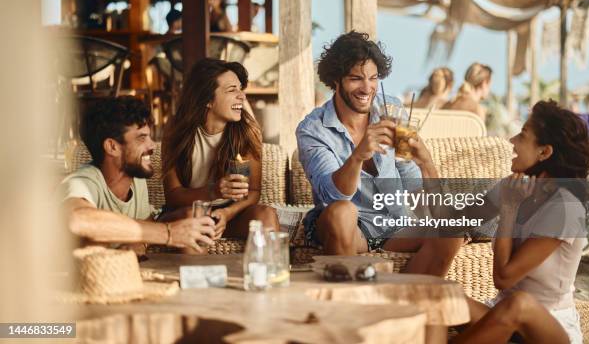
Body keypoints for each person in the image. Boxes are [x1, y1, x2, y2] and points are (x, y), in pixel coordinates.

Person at [296, 31, 463, 277]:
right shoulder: (313, 129)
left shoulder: (390, 110)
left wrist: (424, 160)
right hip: (350, 228)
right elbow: (333, 196)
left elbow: (414, 187)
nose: (367, 88)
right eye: (356, 78)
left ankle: (409, 302)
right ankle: (350, 306)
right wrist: (357, 155)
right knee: (343, 211)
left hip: (395, 224)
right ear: (336, 80)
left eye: (373, 78)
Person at [453, 100, 589, 344]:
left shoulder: (565, 207)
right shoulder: (515, 186)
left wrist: (508, 208)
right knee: (442, 296)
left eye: (522, 135)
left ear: (544, 152)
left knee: (520, 304)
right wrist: (425, 164)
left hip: (548, 325)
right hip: (501, 313)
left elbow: (504, 278)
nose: (511, 141)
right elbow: (458, 218)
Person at [61, 96, 215, 253]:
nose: (152, 145)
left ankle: (199, 277)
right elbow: (78, 219)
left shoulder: (135, 179)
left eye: (150, 136)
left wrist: (183, 220)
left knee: (191, 219)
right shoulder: (83, 182)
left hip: (128, 272)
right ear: (112, 147)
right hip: (83, 273)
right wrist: (168, 233)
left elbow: (144, 223)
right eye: (141, 138)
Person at [162, 58, 279, 241]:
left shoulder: (248, 132)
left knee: (266, 215)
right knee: (193, 218)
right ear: (207, 99)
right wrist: (213, 192)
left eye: (241, 89)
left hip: (229, 214)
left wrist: (227, 213)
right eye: (232, 90)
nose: (242, 96)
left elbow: (253, 191)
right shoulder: (175, 129)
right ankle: (196, 270)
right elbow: (172, 195)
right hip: (189, 213)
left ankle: (269, 269)